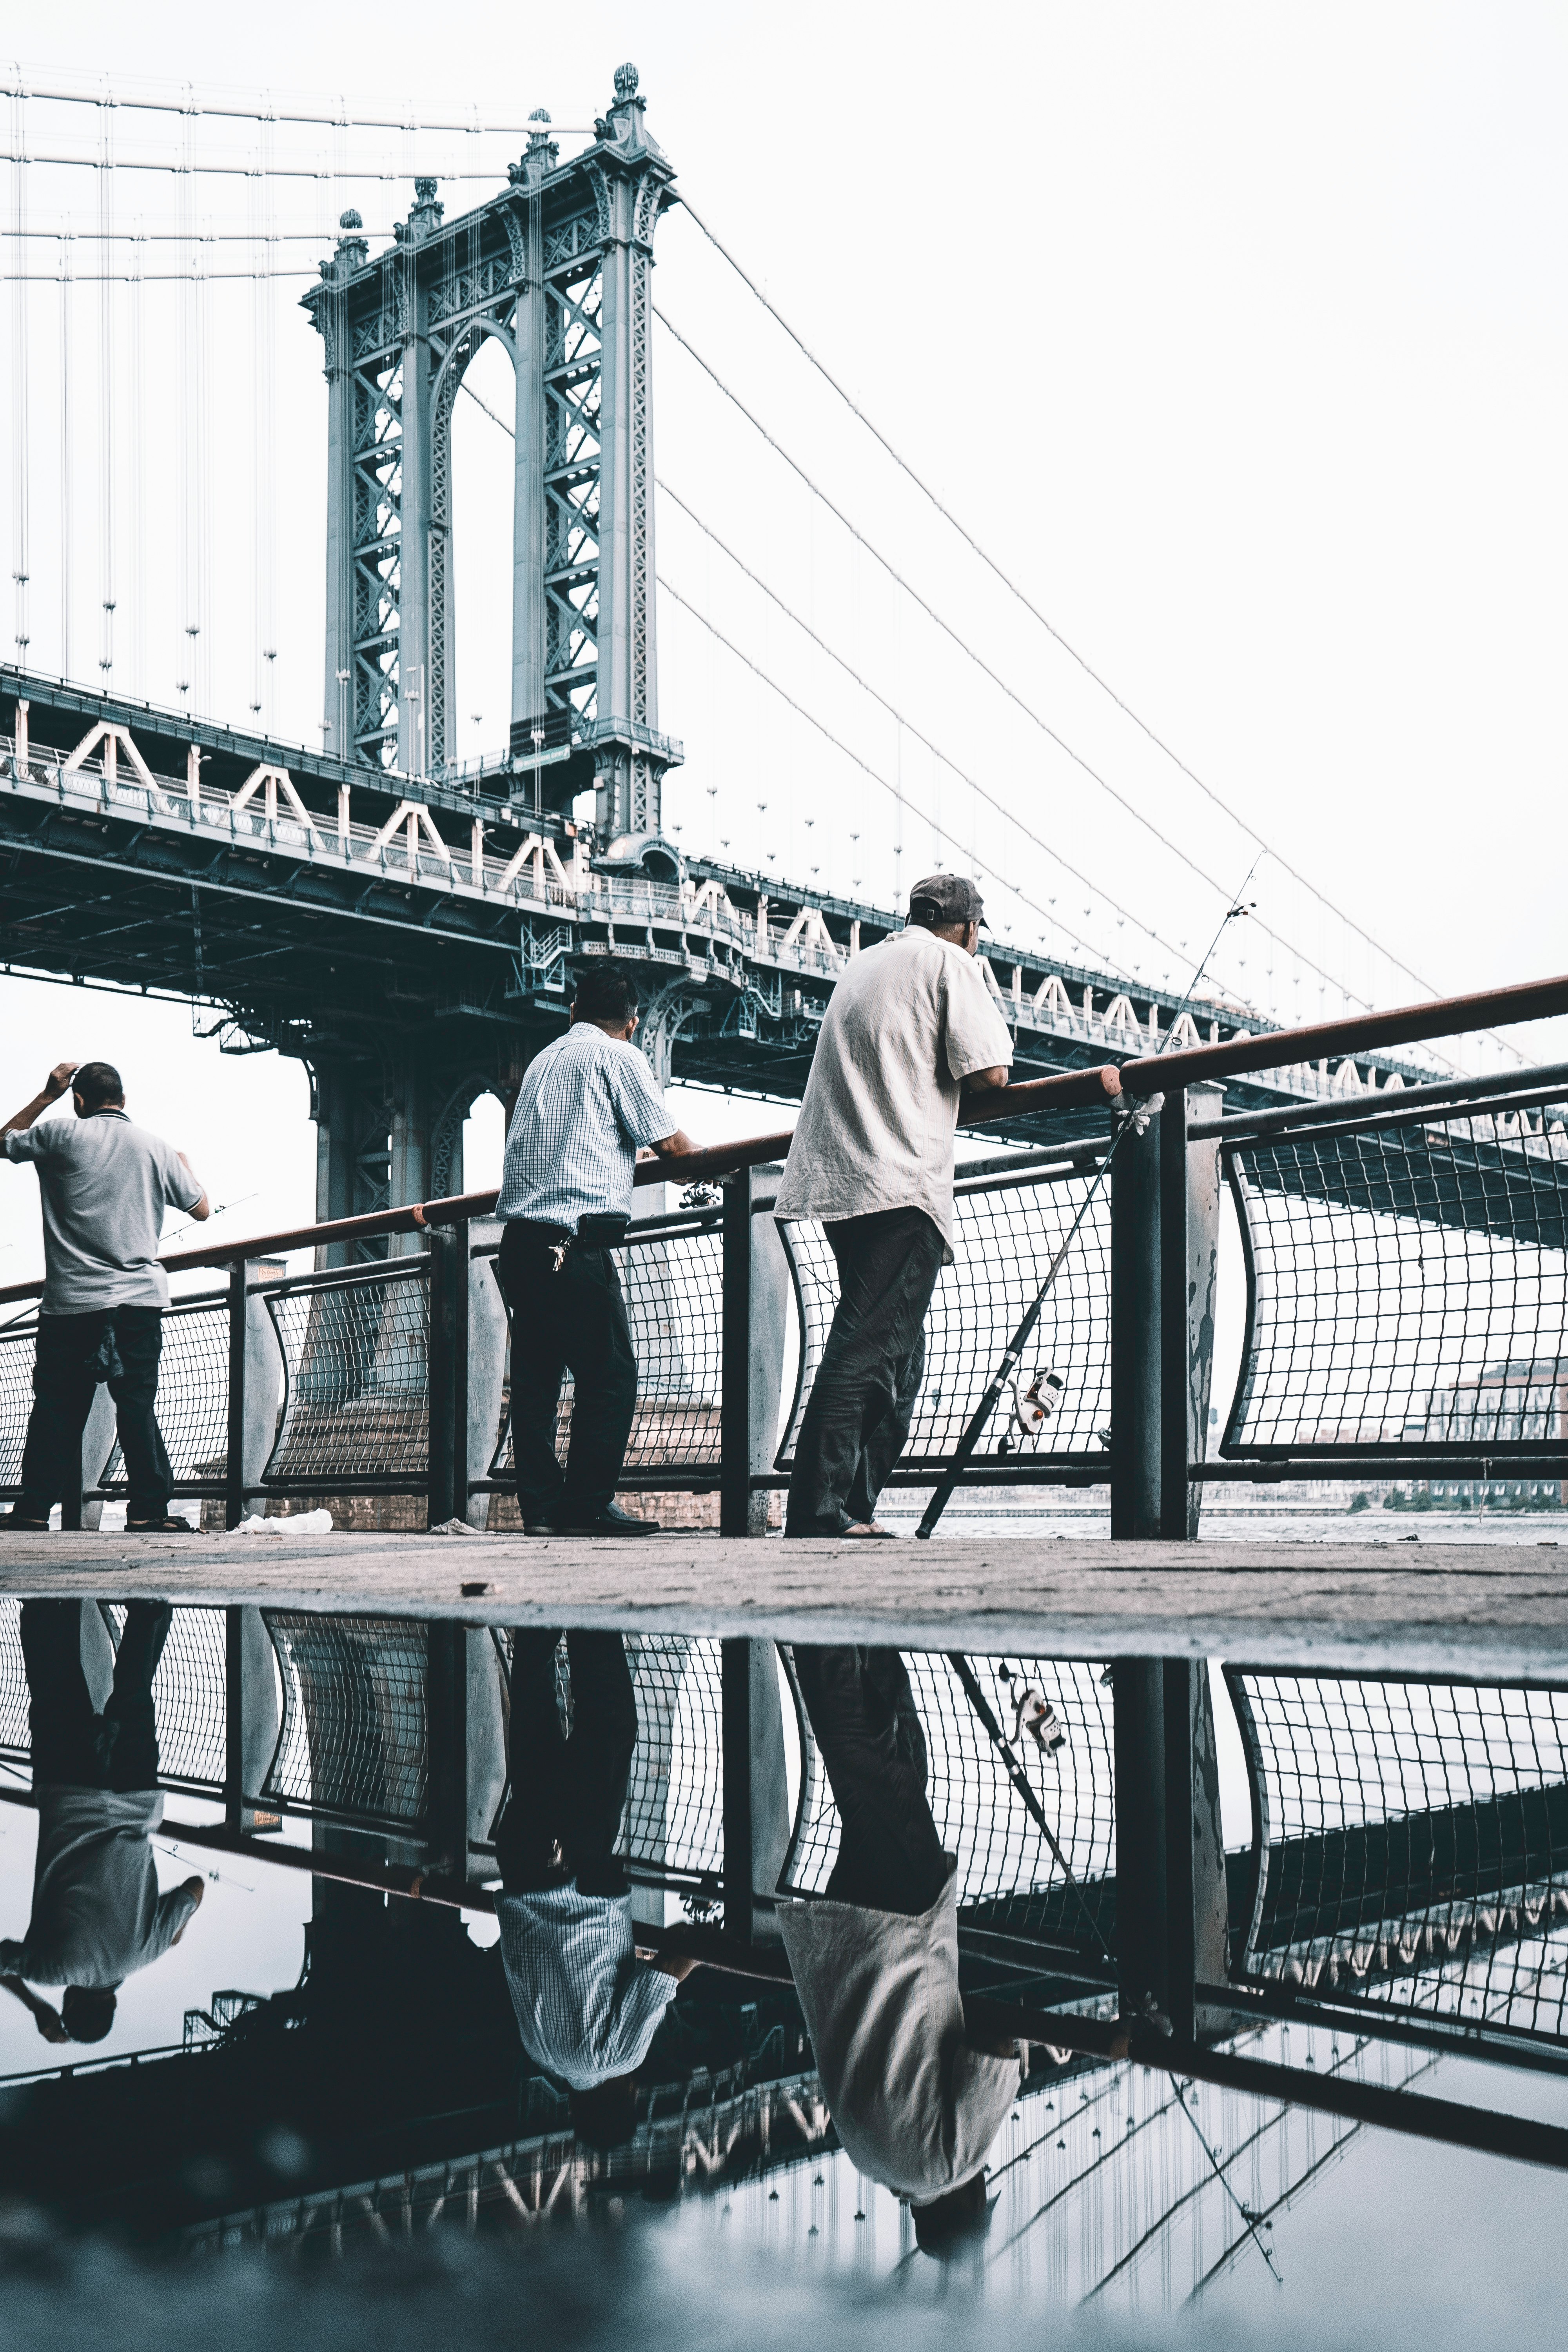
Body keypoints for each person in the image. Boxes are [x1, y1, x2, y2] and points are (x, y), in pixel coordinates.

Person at [774, 875, 1013, 1537]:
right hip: (900, 1182)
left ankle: (855, 1509)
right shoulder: (949, 963)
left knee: (898, 1354)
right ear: (966, 927)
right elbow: (990, 1073)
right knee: (868, 1350)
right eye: (976, 930)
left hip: (840, 1181)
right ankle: (822, 1513)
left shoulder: (863, 965)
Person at [775, 1644, 1020, 2254]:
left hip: (905, 1931)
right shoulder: (870, 2163)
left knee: (868, 1765)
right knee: (898, 1772)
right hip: (850, 1938)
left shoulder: (954, 2164)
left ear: (969, 2203)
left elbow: (999, 2047)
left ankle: (819, 1620)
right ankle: (864, 1607)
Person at [494, 962, 699, 1537]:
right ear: (632, 1024)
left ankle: (540, 1509)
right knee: (609, 1375)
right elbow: (675, 1149)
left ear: (573, 1011)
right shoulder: (619, 1057)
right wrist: (715, 1164)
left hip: (520, 1244)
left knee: (536, 1381)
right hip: (574, 1243)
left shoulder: (543, 1061)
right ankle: (587, 1503)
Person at [495, 1626, 696, 2149]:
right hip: (522, 1860)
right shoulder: (541, 2051)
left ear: (625, 2099)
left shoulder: (620, 2059)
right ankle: (540, 1610)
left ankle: (589, 1611)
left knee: (609, 1721)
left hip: (577, 1865)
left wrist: (720, 1951)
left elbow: (675, 1958)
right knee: (535, 1726)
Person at [0, 1059, 209, 1534]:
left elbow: (0, 1142)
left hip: (72, 1302)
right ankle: (147, 1512)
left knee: (56, 1407)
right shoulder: (156, 1147)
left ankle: (32, 1510)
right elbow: (201, 1208)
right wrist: (183, 1163)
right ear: (124, 1101)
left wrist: (44, 1096)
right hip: (138, 1300)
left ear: (79, 1101)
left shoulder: (58, 1134)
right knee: (135, 1404)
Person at [0, 1598, 204, 2044]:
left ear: (113, 2002)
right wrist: (37, 2006)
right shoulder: (53, 1970)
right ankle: (50, 1598)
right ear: (71, 2003)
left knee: (132, 1695)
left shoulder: (145, 1954)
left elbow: (195, 1888)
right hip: (69, 1796)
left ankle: (149, 1608)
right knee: (56, 1689)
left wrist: (172, 1934)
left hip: (136, 1799)